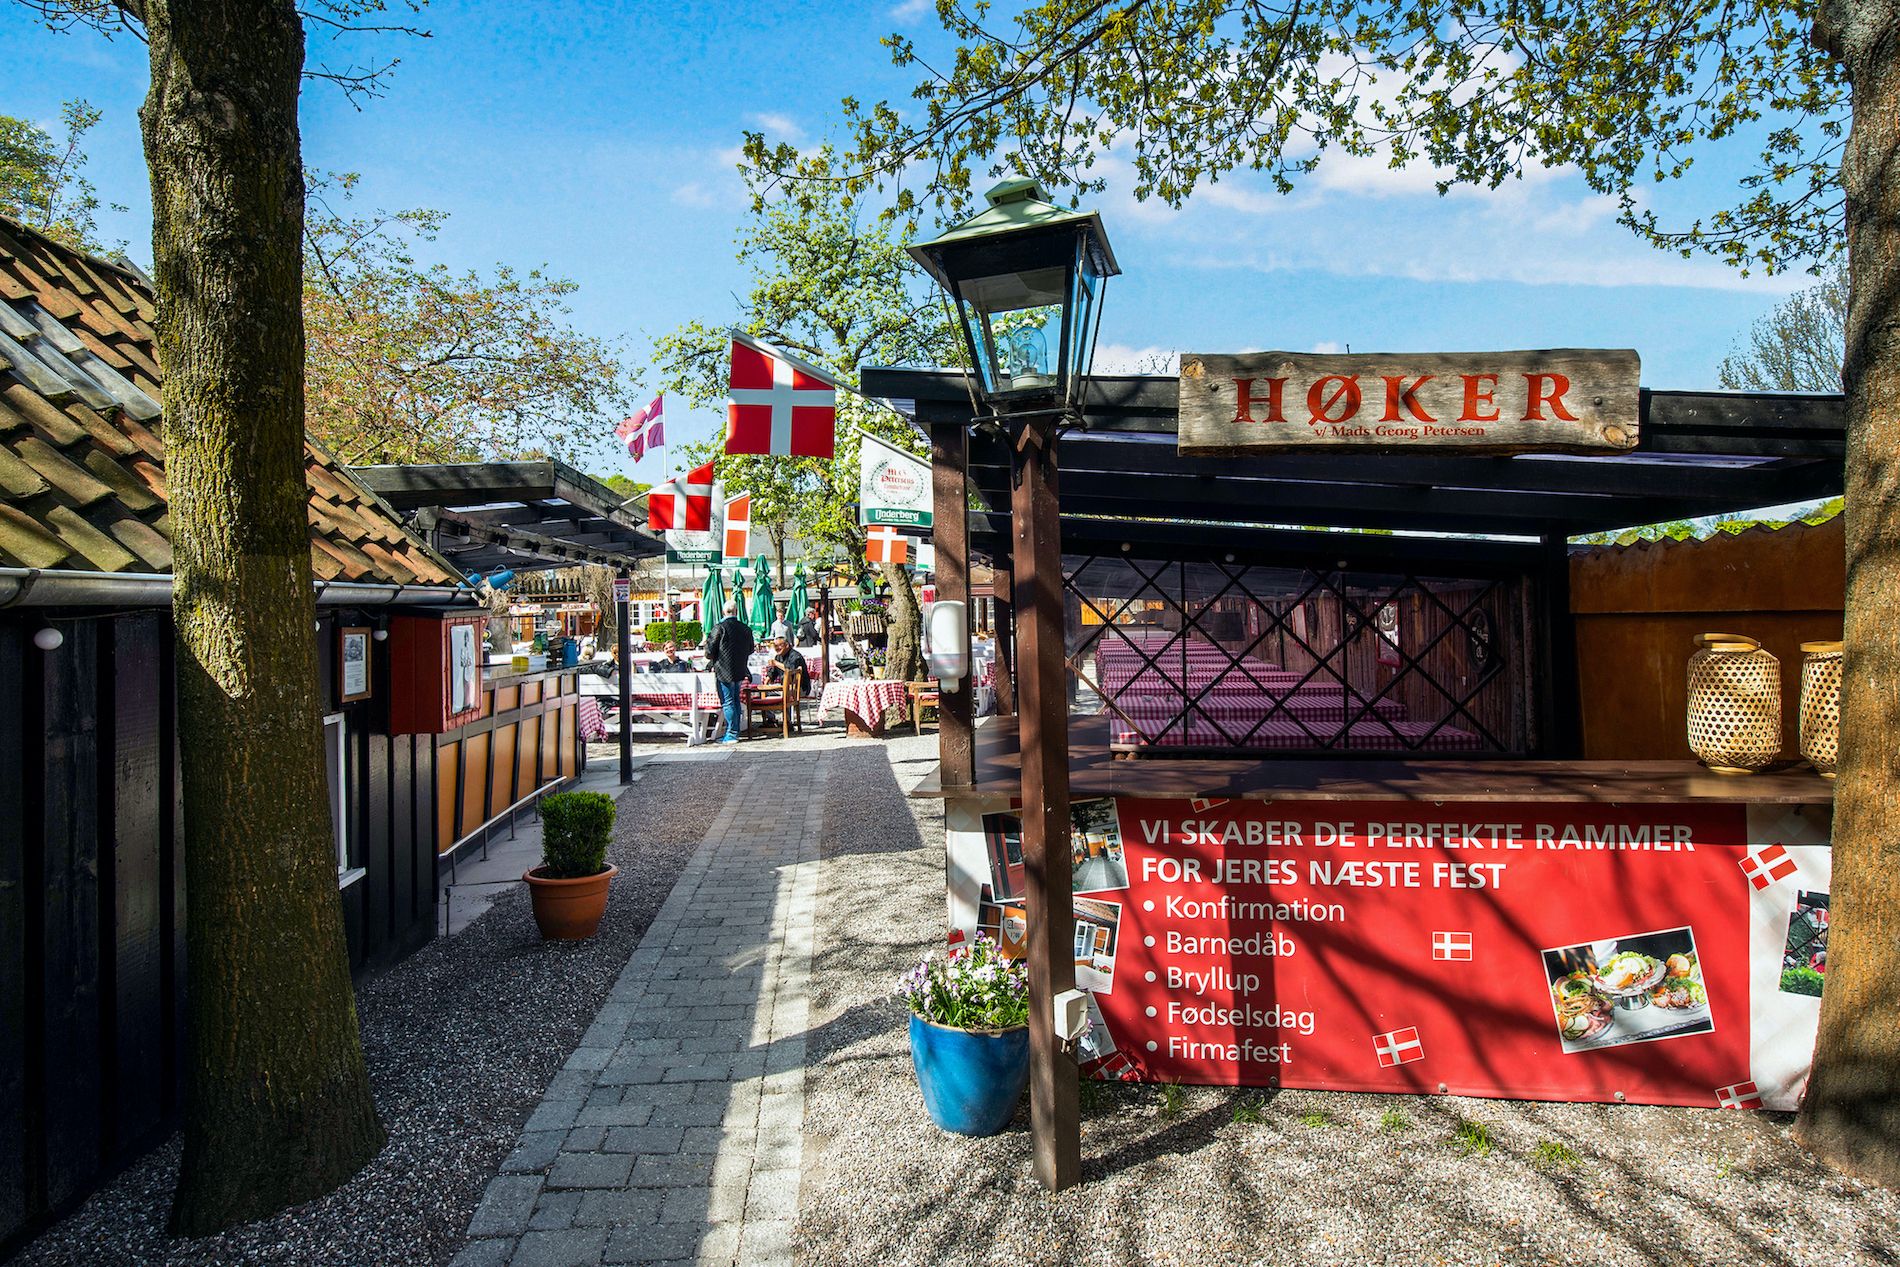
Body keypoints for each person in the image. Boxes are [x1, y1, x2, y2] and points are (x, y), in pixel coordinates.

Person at [704, 600, 755, 743]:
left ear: (723, 612)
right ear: (736, 612)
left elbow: (709, 652)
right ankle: (735, 731)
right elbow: (751, 649)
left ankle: (732, 734)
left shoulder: (719, 628)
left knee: (728, 702)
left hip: (723, 670)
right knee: (735, 701)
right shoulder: (745, 629)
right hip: (739, 668)